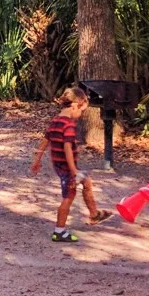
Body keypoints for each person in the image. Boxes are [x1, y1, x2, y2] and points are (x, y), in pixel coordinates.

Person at [32, 85, 109, 241]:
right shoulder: (68, 125)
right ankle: (59, 231)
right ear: (75, 105)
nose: (81, 115)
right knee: (68, 196)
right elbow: (67, 147)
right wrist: (74, 171)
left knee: (87, 182)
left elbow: (45, 141)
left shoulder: (56, 121)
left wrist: (37, 160)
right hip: (68, 168)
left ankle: (94, 215)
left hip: (61, 166)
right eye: (82, 111)